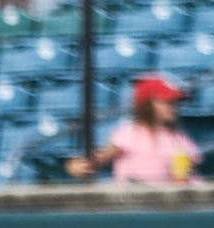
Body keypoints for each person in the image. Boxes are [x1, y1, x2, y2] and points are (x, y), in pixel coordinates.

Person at [65, 75, 201, 185]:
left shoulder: (178, 136)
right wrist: (82, 164)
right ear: (147, 104)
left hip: (169, 207)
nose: (173, 107)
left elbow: (189, 175)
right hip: (134, 206)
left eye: (175, 102)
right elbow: (103, 156)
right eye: (166, 102)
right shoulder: (130, 132)